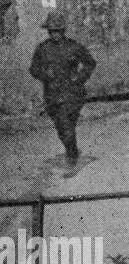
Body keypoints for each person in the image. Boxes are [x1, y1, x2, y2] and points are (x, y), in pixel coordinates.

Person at [28, 11, 96, 176]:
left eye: (57, 30)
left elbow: (90, 62)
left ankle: (72, 157)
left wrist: (79, 77)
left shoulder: (74, 47)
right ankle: (72, 149)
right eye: (51, 31)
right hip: (52, 95)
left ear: (63, 31)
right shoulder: (42, 49)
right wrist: (45, 74)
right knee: (62, 128)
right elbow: (33, 69)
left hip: (73, 94)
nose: (54, 34)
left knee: (66, 126)